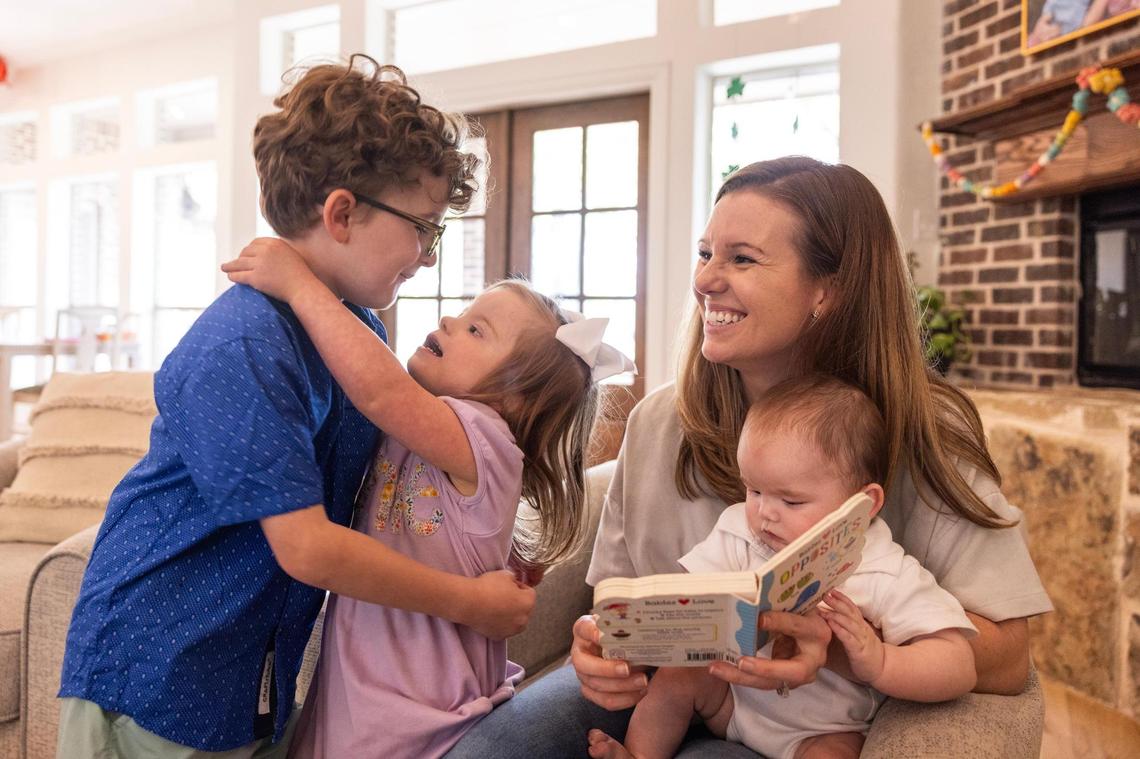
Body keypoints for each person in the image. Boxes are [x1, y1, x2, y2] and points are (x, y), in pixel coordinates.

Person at [443, 157, 1053, 758]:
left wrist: (833, 646)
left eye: (741, 258)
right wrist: (603, 646)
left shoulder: (925, 432)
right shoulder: (659, 421)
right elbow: (614, 597)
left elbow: (1007, 659)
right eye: (706, 254)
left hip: (802, 728)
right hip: (666, 693)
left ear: (827, 292)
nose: (705, 280)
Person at [56, 56, 536, 758]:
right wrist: (470, 603)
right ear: (341, 213)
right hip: (154, 672)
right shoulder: (243, 343)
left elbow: (404, 458)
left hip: (243, 672)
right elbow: (307, 546)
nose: (429, 257)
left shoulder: (354, 330)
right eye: (423, 229)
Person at [223, 237, 635, 758]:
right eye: (463, 314)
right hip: (360, 696)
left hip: (423, 720)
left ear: (512, 397)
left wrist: (301, 285)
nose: (448, 321)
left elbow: (379, 390)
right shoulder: (437, 433)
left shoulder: (486, 441)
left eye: (474, 330)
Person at [587, 375, 977, 759]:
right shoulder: (741, 530)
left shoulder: (884, 570)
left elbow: (959, 665)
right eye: (754, 490)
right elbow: (691, 593)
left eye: (791, 502)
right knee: (677, 679)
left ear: (865, 502)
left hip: (820, 732)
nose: (764, 514)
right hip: (731, 703)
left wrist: (881, 662)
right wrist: (633, 630)